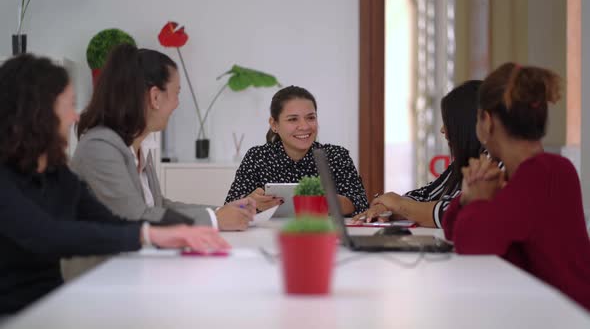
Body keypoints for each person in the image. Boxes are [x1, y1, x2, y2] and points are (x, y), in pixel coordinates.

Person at [0, 54, 233, 315]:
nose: (75, 117)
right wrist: (149, 234)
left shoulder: (57, 174)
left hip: (54, 306)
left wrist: (177, 232)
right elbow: (48, 235)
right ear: (38, 112)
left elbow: (113, 221)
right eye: (68, 106)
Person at [443, 63, 590, 312]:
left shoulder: (541, 173)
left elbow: (472, 244)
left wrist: (477, 198)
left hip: (571, 316)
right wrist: (469, 197)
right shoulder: (526, 174)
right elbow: (452, 229)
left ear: (487, 121)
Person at [73, 44, 254, 231]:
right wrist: (215, 220)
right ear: (155, 97)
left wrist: (219, 212)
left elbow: (158, 207)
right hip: (108, 261)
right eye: (176, 93)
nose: (177, 104)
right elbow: (134, 218)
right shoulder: (99, 148)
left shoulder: (138, 148)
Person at [352, 80, 483, 227]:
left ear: (467, 126)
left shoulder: (494, 167)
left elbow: (453, 213)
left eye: (449, 123)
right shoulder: (462, 165)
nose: (442, 130)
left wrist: (399, 204)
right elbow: (426, 195)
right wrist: (387, 207)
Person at [224, 85, 368, 216]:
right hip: (268, 236)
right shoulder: (257, 157)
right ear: (274, 124)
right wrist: (252, 203)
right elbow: (228, 209)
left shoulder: (336, 156)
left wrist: (324, 203)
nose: (304, 126)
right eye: (293, 119)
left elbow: (361, 205)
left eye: (310, 118)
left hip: (323, 235)